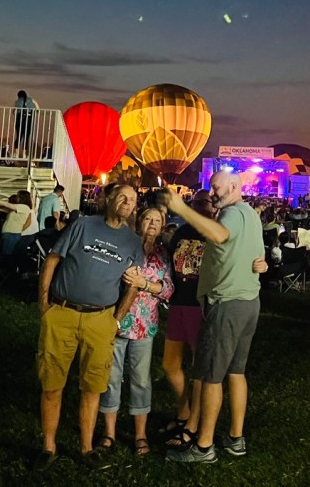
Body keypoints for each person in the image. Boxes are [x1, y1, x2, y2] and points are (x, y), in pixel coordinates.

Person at [33, 184, 145, 472]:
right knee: (52, 383)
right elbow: (52, 260)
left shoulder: (132, 243)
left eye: (132, 200)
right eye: (122, 196)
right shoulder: (82, 225)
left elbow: (133, 284)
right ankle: (48, 446)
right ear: (109, 199)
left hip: (100, 320)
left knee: (93, 386)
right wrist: (44, 304)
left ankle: (86, 448)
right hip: (63, 313)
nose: (127, 202)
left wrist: (117, 318)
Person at [164, 173, 268, 465]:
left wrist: (181, 208)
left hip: (227, 303)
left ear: (234, 187)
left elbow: (220, 235)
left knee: (210, 376)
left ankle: (204, 446)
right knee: (236, 372)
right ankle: (235, 439)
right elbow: (258, 256)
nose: (211, 192)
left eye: (215, 186)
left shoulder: (232, 214)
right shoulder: (251, 215)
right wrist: (260, 266)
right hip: (249, 301)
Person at [98, 207, 174, 457]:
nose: (152, 223)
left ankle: (140, 434)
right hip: (116, 320)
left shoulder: (163, 254)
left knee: (140, 379)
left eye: (157, 220)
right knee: (111, 377)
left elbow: (168, 289)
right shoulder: (124, 245)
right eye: (148, 218)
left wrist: (145, 284)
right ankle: (109, 432)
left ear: (162, 227)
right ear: (139, 221)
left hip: (144, 324)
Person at [161, 189, 212, 444]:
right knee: (170, 364)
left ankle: (195, 422)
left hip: (200, 305)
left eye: (206, 202)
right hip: (178, 302)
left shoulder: (214, 232)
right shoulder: (181, 233)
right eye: (197, 202)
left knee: (198, 368)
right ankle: (184, 412)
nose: (201, 206)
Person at [14, 90, 37, 156]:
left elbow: (14, 111)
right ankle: (24, 154)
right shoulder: (31, 100)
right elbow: (37, 109)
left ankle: (16, 153)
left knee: (19, 136)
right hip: (28, 119)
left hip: (20, 119)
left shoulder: (17, 101)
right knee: (26, 137)